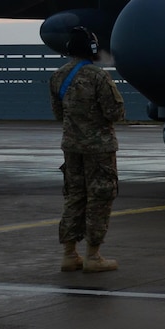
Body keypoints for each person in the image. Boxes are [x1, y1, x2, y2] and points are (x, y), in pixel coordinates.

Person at [49, 26, 125, 272]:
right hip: (99, 149)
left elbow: (58, 113)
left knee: (74, 197)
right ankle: (94, 256)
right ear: (92, 48)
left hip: (71, 147)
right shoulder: (98, 76)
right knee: (100, 198)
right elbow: (115, 112)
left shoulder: (58, 76)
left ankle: (69, 255)